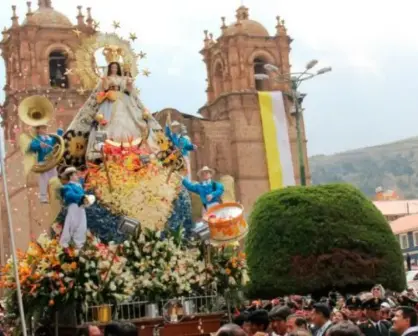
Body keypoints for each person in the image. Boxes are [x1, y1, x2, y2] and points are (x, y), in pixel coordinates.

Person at [67, 51, 163, 165]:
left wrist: (129, 83)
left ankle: (131, 147)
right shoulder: (107, 78)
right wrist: (104, 81)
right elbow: (104, 89)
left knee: (130, 120)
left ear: (118, 68)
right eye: (112, 67)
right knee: (105, 123)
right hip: (109, 101)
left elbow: (128, 90)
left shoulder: (122, 78)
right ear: (109, 68)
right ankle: (102, 149)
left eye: (115, 67)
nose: (113, 69)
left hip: (123, 100)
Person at [59, 166, 95, 249]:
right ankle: (65, 244)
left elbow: (85, 180)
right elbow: (69, 195)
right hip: (74, 207)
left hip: (81, 208)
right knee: (71, 224)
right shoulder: (67, 187)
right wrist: (81, 197)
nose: (77, 176)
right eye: (75, 175)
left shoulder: (79, 185)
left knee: (82, 225)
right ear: (71, 176)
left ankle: (79, 244)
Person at [28, 124, 63, 203]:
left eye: (45, 128)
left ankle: (56, 195)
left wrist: (60, 131)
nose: (45, 129)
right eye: (43, 128)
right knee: (43, 179)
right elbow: (32, 146)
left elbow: (56, 140)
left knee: (54, 178)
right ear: (38, 130)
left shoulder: (49, 138)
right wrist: (39, 145)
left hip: (51, 162)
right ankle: (43, 197)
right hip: (43, 162)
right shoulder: (37, 139)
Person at [165, 114, 197, 179]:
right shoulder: (172, 136)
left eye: (176, 127)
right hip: (175, 156)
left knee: (186, 170)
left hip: (184, 156)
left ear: (178, 127)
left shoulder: (184, 138)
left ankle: (186, 185)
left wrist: (192, 146)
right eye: (173, 127)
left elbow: (187, 147)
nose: (175, 128)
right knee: (175, 172)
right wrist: (167, 122)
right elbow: (167, 133)